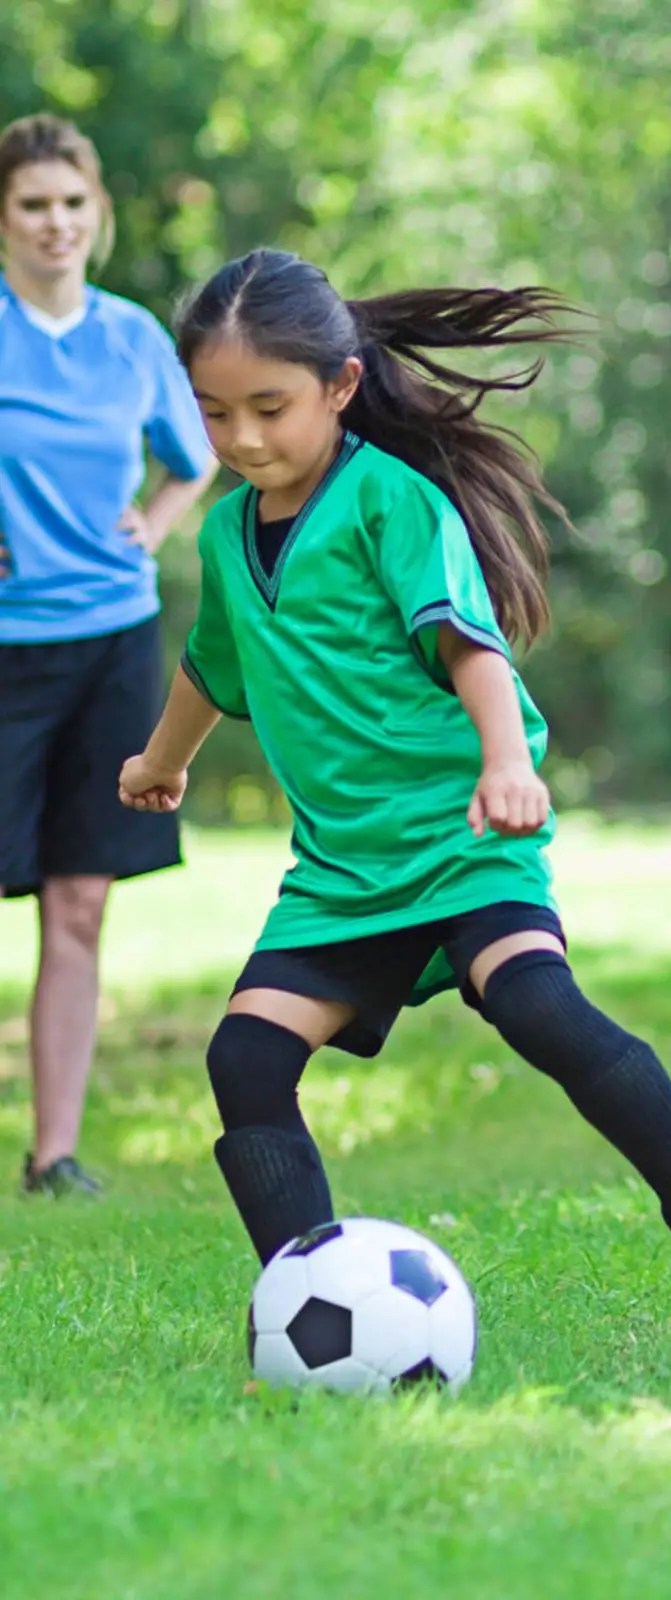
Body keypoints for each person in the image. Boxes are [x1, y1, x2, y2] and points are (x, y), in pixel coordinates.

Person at [115, 249, 671, 1354]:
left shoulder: (391, 501)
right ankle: (305, 1309)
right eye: (215, 414)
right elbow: (215, 666)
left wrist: (507, 762)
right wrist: (163, 760)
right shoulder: (221, 530)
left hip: (461, 838)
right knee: (245, 1061)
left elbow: (467, 639)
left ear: (341, 386)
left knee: (542, 1010)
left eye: (270, 407)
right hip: (345, 871)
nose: (244, 438)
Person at [0, 113, 217, 1197]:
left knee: (80, 900)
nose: (55, 224)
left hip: (112, 640)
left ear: (100, 215)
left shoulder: (132, 336)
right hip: (3, 650)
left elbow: (199, 452)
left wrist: (157, 519)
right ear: (4, 217)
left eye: (72, 204)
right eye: (34, 204)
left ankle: (54, 1156)